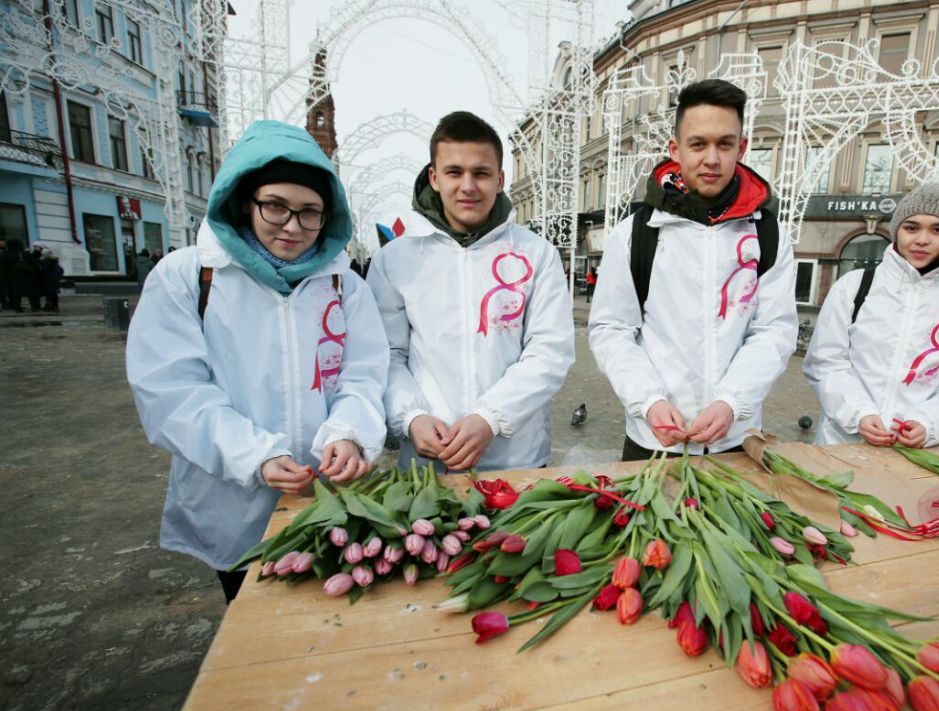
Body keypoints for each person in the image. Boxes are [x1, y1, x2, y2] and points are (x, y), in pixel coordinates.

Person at [126, 120, 389, 603]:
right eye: (276, 207)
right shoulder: (189, 277)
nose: (293, 227)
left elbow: (364, 374)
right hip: (234, 499)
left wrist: (349, 433)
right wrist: (256, 456)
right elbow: (172, 392)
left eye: (311, 212)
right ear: (245, 201)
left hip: (324, 496)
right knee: (249, 610)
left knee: (326, 610)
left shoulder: (342, 285)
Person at [588, 79, 798, 460]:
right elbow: (612, 329)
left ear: (743, 147)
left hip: (734, 439)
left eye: (725, 144)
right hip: (653, 440)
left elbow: (774, 331)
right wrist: (648, 400)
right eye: (698, 144)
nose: (712, 159)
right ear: (676, 149)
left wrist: (731, 402)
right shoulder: (636, 234)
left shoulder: (768, 234)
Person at [367, 111, 574, 472]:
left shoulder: (537, 253)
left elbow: (549, 351)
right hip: (428, 464)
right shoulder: (395, 259)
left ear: (500, 179)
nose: (468, 186)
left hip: (517, 461)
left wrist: (490, 418)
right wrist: (412, 416)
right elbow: (386, 355)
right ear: (433, 177)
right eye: (454, 172)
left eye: (481, 173)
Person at [803, 182, 939, 448]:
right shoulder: (854, 287)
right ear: (897, 230)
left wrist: (928, 423)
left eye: (937, 229)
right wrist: (859, 413)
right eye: (911, 227)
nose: (922, 240)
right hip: (842, 444)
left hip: (915, 452)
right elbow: (825, 362)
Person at [36, 244, 63, 312]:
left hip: (48, 279)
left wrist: (40, 262)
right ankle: (54, 306)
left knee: (49, 293)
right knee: (53, 294)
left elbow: (44, 269)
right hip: (54, 279)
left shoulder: (47, 261)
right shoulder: (55, 261)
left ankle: (49, 306)